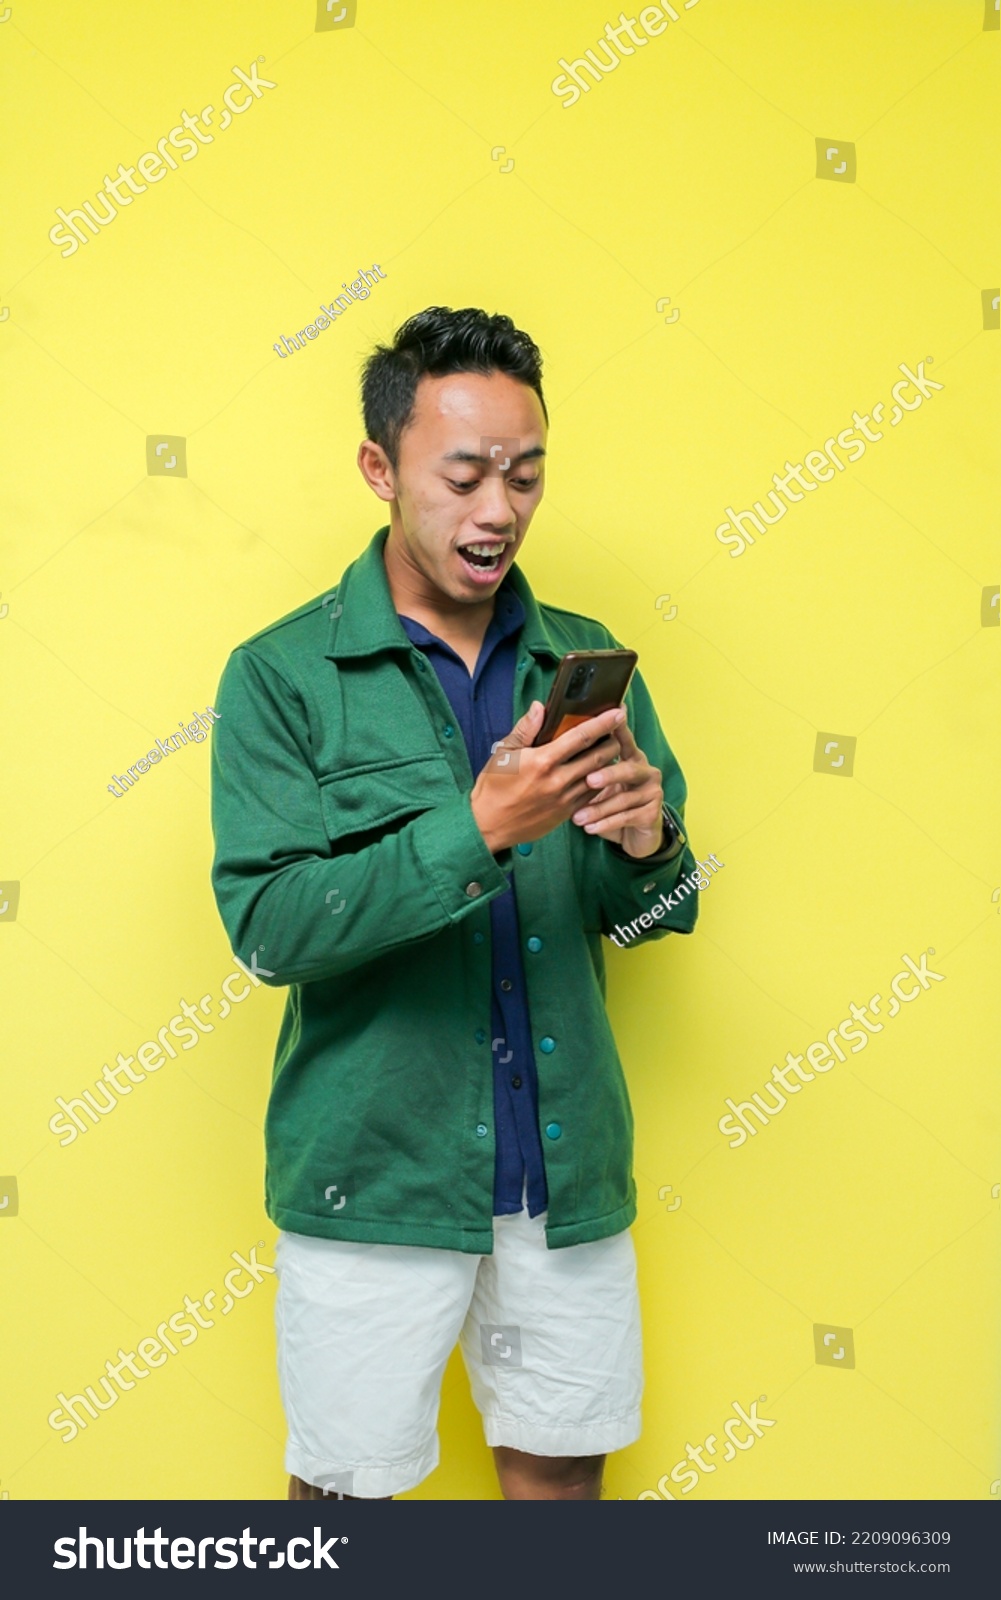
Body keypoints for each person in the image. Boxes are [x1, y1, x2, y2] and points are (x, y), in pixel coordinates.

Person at [209, 306, 700, 1501]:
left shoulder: (585, 659)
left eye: (525, 474)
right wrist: (474, 832)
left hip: (562, 1181)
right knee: (342, 1506)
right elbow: (271, 930)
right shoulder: (280, 676)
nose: (499, 509)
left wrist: (649, 846)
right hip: (371, 1177)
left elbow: (655, 917)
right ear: (380, 468)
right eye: (466, 473)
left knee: (558, 1496)